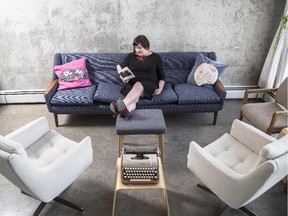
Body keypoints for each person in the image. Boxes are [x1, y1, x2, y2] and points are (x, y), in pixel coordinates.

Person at [110, 35, 165, 118]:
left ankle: (121, 104)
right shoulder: (130, 56)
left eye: (139, 48)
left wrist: (160, 89)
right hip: (131, 86)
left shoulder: (156, 58)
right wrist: (124, 79)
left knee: (138, 84)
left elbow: (162, 77)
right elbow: (123, 72)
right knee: (134, 100)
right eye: (135, 47)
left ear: (146, 46)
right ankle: (126, 112)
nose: (137, 50)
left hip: (150, 85)